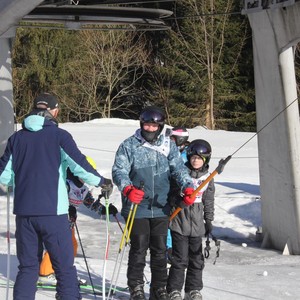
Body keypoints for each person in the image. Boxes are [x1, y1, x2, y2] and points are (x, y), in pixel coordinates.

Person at [0, 92, 113, 300]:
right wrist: (102, 182)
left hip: (24, 214)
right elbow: (80, 167)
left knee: (27, 269)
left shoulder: (17, 138)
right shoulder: (59, 136)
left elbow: (4, 176)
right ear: (54, 111)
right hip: (54, 213)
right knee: (64, 269)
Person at [112, 106, 195, 300]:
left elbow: (179, 170)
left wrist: (188, 186)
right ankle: (136, 287)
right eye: (146, 125)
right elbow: (119, 170)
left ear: (160, 126)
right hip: (137, 207)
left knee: (159, 250)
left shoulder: (168, 145)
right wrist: (127, 189)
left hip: (161, 206)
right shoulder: (130, 145)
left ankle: (159, 288)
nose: (149, 129)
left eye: (153, 125)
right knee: (139, 248)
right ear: (141, 124)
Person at [38, 156, 118, 286]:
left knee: (71, 246)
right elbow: (54, 198)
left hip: (69, 224)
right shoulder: (66, 182)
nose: (87, 177)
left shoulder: (83, 189)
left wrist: (105, 210)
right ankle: (45, 273)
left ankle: (63, 272)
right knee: (57, 246)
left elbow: (91, 204)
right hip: (57, 220)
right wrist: (68, 208)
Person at [166, 139, 215, 300]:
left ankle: (192, 289)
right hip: (180, 221)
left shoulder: (208, 178)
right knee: (179, 259)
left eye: (199, 158)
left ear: (205, 160)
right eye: (193, 158)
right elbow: (171, 193)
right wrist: (178, 199)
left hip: (197, 224)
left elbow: (208, 201)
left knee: (196, 258)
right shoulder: (181, 174)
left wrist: (208, 220)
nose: (195, 161)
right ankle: (174, 289)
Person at [167, 127, 190, 260]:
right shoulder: (168, 150)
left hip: (182, 193)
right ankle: (169, 248)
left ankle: (178, 248)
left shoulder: (187, 155)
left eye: (172, 138)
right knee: (168, 220)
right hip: (169, 191)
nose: (168, 140)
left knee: (178, 220)